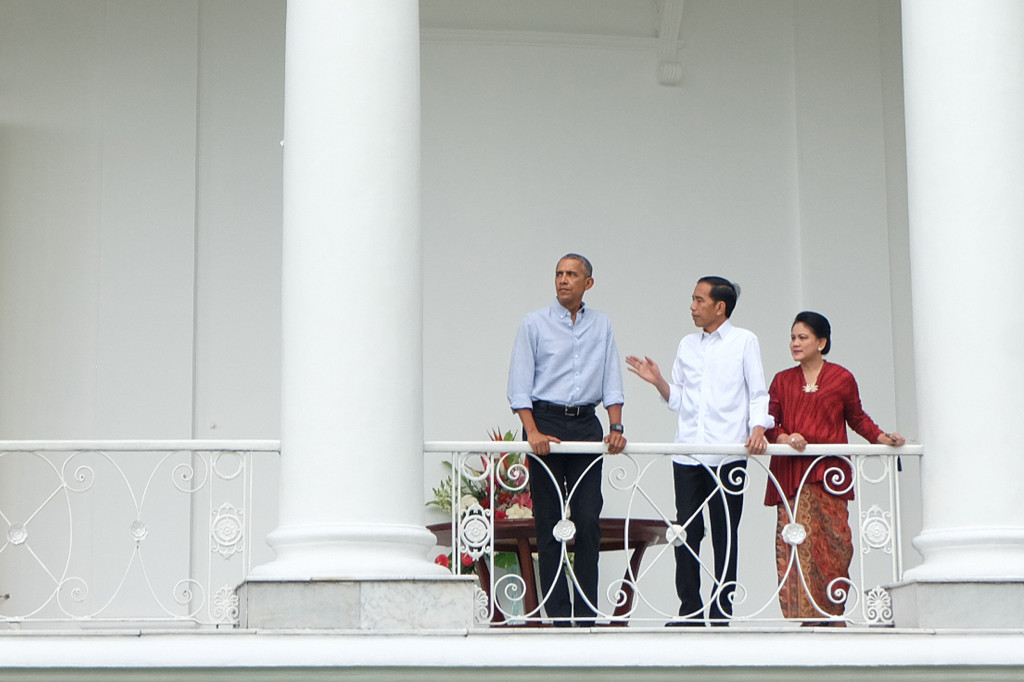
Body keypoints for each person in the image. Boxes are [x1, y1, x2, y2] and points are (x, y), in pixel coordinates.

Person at [626, 276, 771, 626]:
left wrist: (757, 430)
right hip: (688, 454)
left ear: (719, 307)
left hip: (728, 455)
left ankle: (722, 611)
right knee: (686, 533)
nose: (692, 306)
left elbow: (757, 394)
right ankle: (690, 609)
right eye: (692, 299)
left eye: (698, 300)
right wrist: (658, 381)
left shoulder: (744, 341)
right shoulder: (686, 345)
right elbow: (679, 400)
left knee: (725, 532)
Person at [763, 311, 905, 625]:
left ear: (822, 342)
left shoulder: (841, 378)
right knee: (797, 545)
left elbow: (857, 418)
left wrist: (881, 437)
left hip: (829, 476)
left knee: (835, 544)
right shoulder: (782, 380)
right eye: (793, 337)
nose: (795, 344)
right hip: (793, 476)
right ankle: (808, 618)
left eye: (803, 338)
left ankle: (833, 613)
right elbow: (769, 422)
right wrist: (785, 436)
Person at [507, 253, 626, 626]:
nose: (562, 280)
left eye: (572, 274)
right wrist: (532, 432)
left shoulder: (602, 325)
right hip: (545, 422)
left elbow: (611, 378)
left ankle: (586, 612)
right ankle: (558, 613)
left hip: (586, 425)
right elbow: (519, 383)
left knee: (588, 518)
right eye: (559, 274)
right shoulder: (534, 324)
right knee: (549, 520)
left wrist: (616, 427)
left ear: (587, 283)